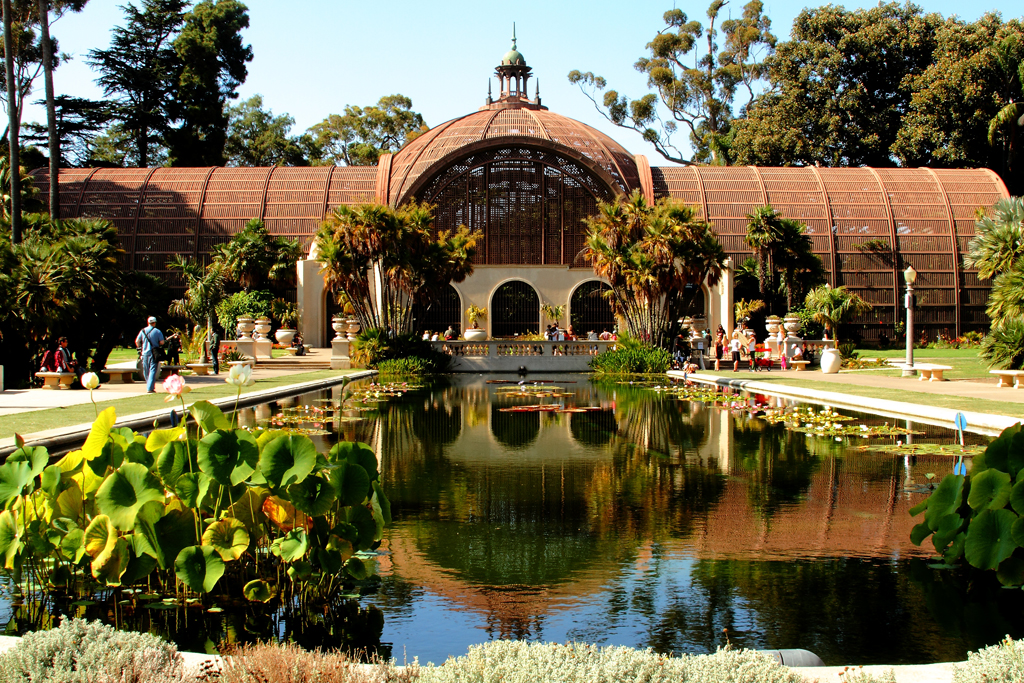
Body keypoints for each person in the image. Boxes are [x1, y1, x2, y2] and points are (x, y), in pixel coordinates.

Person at [135, 316, 165, 393]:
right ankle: (150, 387)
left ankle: (149, 385)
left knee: (146, 370)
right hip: (154, 352)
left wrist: (140, 347)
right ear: (154, 323)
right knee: (152, 369)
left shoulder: (143, 331)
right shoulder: (157, 331)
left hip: (144, 353)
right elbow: (162, 342)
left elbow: (137, 341)